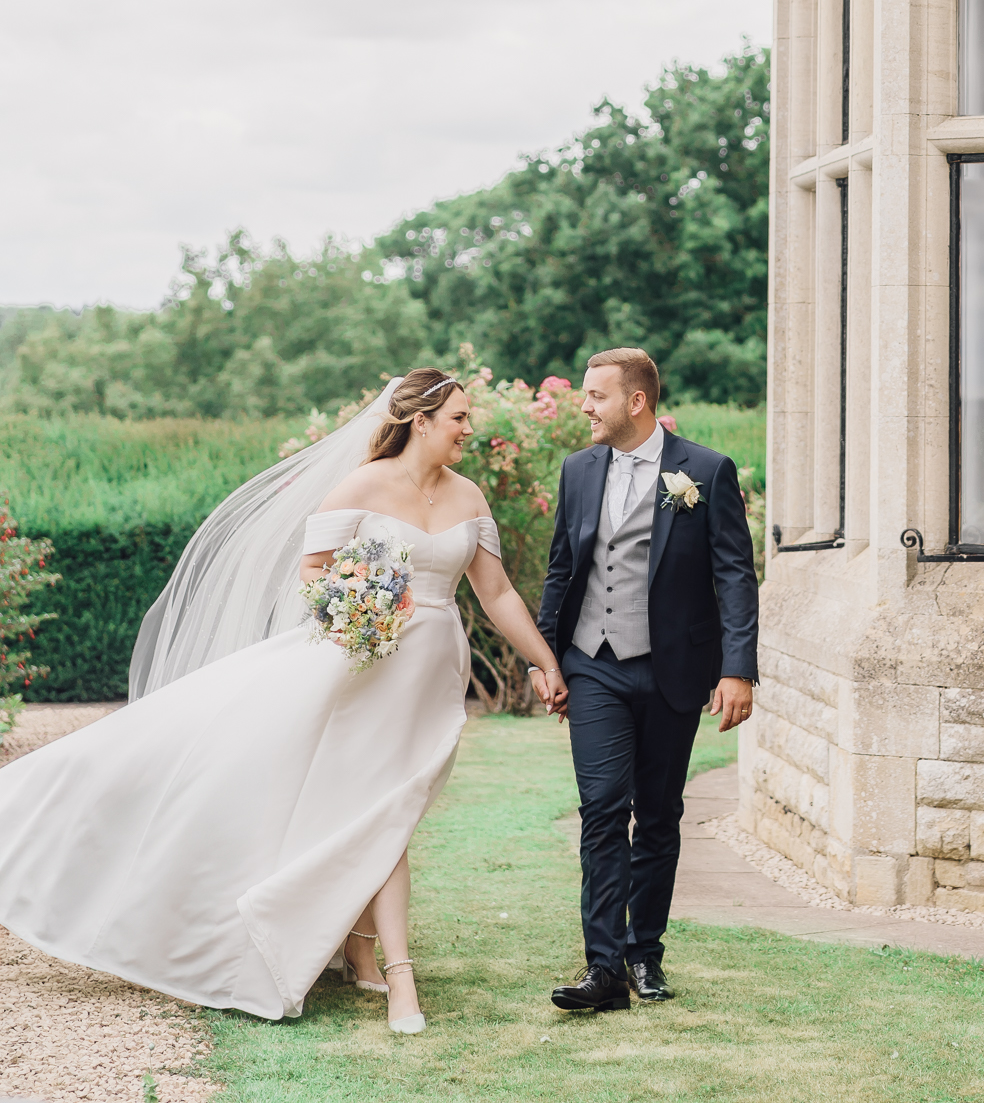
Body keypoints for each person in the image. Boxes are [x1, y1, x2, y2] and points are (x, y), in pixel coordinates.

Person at [0, 369, 567, 1031]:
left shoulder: (468, 496)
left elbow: (495, 593)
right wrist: (363, 607)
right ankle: (398, 976)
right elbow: (313, 573)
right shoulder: (361, 484)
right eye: (459, 418)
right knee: (381, 811)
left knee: (389, 810)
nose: (470, 429)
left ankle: (358, 949)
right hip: (363, 668)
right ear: (421, 421)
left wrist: (542, 660)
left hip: (432, 672)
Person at [536, 347, 760, 1012]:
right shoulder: (578, 471)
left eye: (595, 395)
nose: (584, 406)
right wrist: (545, 660)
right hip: (591, 665)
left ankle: (644, 953)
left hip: (672, 669)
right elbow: (559, 572)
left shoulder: (706, 471)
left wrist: (737, 669)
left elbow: (733, 577)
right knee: (603, 808)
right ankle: (602, 969)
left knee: (658, 815)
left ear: (636, 402)